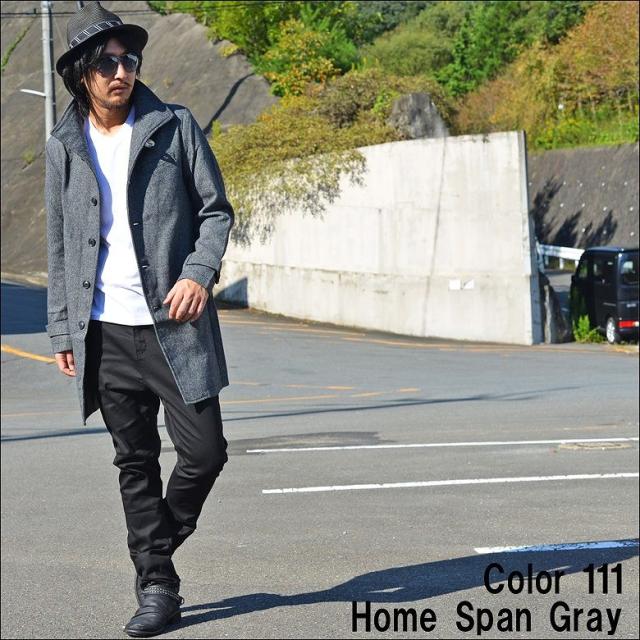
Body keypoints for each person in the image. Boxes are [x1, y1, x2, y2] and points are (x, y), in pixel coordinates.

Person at [45, 2, 234, 636]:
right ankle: (157, 585)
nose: (122, 72)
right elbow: (60, 243)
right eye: (107, 64)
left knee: (204, 453)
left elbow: (216, 211)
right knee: (135, 461)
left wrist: (197, 273)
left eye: (129, 60)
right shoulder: (64, 146)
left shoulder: (173, 126)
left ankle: (156, 545)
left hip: (173, 327)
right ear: (81, 75)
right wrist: (63, 329)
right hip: (104, 330)